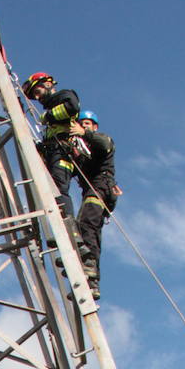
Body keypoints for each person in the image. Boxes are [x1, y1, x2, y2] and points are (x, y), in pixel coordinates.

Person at [22, 72, 82, 224]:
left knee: (59, 190)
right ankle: (60, 225)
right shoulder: (51, 115)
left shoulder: (64, 95)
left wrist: (48, 116)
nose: (37, 98)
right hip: (54, 152)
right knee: (50, 192)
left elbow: (72, 107)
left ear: (48, 84)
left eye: (37, 92)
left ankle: (70, 228)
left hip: (62, 153)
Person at [74, 110, 120, 302]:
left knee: (86, 225)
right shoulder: (82, 151)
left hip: (100, 187)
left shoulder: (101, 140)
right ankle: (91, 281)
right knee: (86, 228)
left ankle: (90, 265)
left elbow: (105, 145)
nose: (84, 126)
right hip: (93, 190)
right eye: (81, 123)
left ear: (94, 126)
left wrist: (83, 133)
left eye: (87, 123)